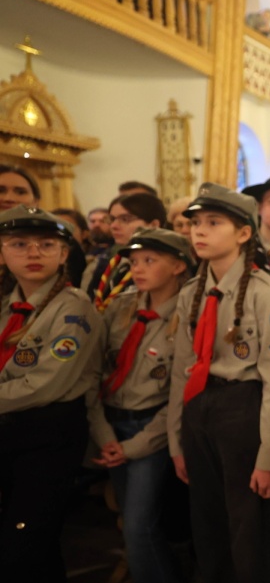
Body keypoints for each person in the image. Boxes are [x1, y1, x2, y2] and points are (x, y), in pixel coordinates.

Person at [166, 183, 270, 583]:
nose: (200, 231)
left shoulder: (265, 293)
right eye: (196, 223)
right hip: (199, 408)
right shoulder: (193, 291)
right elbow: (182, 370)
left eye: (213, 222)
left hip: (243, 410)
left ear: (243, 233)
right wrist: (176, 440)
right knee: (207, 524)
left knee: (249, 529)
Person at [0, 206, 106, 581]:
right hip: (9, 429)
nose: (33, 252)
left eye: (46, 245)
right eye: (19, 244)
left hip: (48, 434)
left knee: (23, 542)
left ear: (63, 254)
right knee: (31, 550)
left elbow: (47, 383)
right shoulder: (8, 305)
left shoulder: (73, 308)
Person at [87, 228, 194, 583]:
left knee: (138, 527)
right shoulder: (120, 307)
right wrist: (104, 436)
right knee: (130, 521)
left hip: (151, 432)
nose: (138, 268)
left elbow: (179, 395)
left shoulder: (188, 315)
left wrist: (134, 447)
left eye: (150, 260)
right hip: (110, 427)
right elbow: (94, 373)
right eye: (134, 261)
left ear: (178, 266)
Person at [0, 165, 88, 287]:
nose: (9, 198)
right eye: (1, 190)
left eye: (21, 192)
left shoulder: (61, 241)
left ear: (36, 201)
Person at [84, 193, 167, 311]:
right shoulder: (110, 260)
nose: (113, 226)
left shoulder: (165, 263)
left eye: (125, 219)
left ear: (153, 225)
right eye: (112, 219)